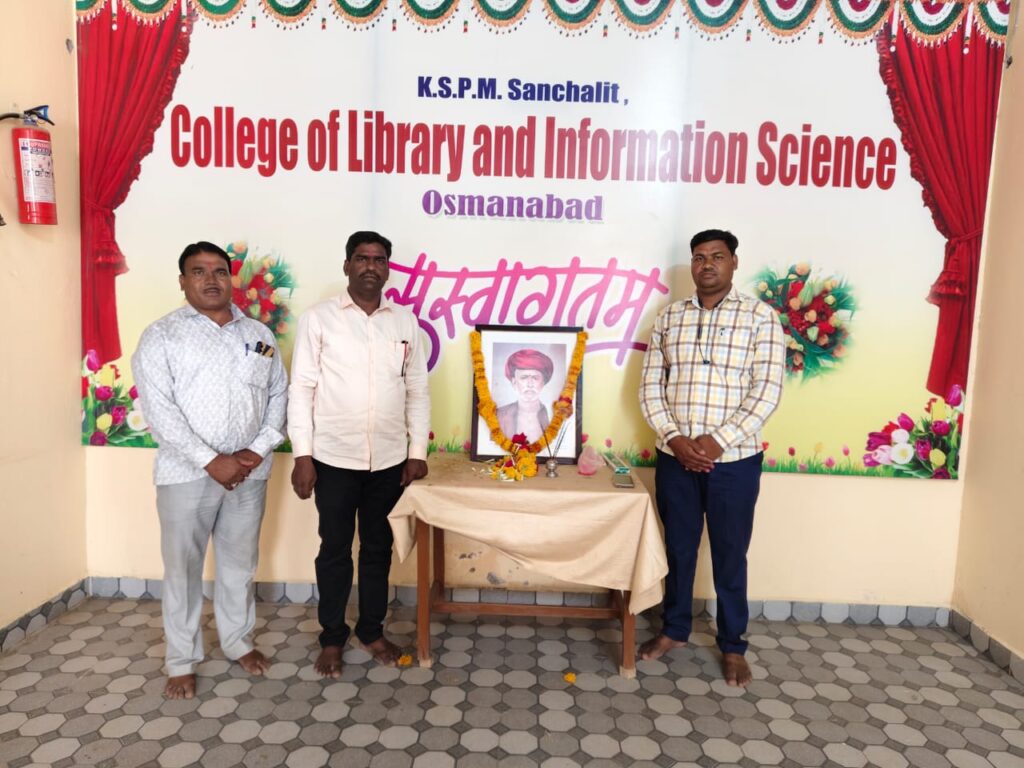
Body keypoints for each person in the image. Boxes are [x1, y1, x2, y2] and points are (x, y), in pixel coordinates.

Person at [132, 241, 288, 700]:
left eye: (219, 271)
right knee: (182, 569)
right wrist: (211, 460)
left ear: (230, 278)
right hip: (186, 474)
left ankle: (238, 641)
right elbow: (159, 411)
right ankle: (181, 660)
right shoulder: (161, 335)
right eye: (198, 272)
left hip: (249, 472)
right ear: (183, 281)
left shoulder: (258, 334)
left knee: (239, 565)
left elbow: (278, 394)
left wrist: (256, 451)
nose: (211, 279)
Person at [638, 229, 784, 687]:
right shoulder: (669, 317)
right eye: (699, 257)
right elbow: (650, 387)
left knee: (730, 554)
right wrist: (675, 438)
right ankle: (675, 629)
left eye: (717, 257)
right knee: (679, 548)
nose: (707, 265)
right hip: (675, 457)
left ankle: (733, 645)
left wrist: (718, 441)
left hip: (735, 461)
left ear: (734, 262)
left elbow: (767, 391)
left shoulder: (761, 318)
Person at [288, 230, 430, 678]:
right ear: (347, 265)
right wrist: (303, 455)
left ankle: (371, 630)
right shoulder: (319, 319)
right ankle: (332, 637)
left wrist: (417, 451)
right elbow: (301, 389)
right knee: (334, 549)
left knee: (377, 548)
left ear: (388, 268)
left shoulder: (404, 322)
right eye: (362, 258)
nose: (371, 266)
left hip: (389, 461)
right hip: (332, 459)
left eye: (379, 259)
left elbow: (417, 390)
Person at [496, 348, 554, 443]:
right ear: (514, 382)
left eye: (535, 378)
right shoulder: (498, 415)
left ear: (543, 382)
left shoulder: (554, 415)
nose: (530, 384)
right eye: (524, 377)